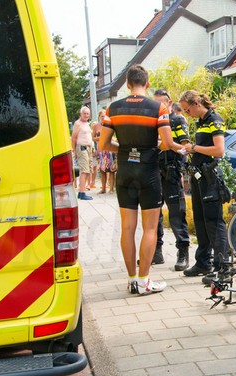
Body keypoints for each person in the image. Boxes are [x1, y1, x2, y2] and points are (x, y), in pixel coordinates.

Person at [99, 64, 186, 295]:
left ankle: (131, 280)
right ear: (146, 84)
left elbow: (103, 144)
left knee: (127, 228)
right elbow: (167, 144)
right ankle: (145, 280)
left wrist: (126, 149)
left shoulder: (113, 108)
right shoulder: (158, 108)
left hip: (125, 171)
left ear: (128, 85)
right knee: (149, 228)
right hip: (149, 171)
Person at [178, 90, 230, 283]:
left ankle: (223, 267)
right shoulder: (201, 122)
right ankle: (203, 262)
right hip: (199, 176)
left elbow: (219, 149)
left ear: (196, 103)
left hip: (211, 178)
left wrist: (195, 148)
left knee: (214, 222)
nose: (187, 114)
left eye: (187, 110)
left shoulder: (214, 120)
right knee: (200, 220)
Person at [151, 89, 191, 270]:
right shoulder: (151, 122)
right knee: (154, 214)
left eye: (162, 102)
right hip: (153, 172)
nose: (159, 106)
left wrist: (165, 144)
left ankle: (183, 252)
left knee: (176, 213)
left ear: (169, 103)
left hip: (171, 172)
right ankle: (156, 252)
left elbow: (184, 146)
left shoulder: (177, 120)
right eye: (156, 103)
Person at [72, 106, 94, 200]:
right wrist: (74, 151)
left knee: (89, 170)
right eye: (84, 113)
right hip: (82, 148)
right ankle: (82, 192)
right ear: (81, 114)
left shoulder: (87, 124)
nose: (86, 115)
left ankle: (82, 190)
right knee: (84, 170)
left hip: (89, 149)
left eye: (87, 113)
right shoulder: (78, 123)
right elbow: (74, 138)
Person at [92, 109, 115, 193]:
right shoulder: (96, 126)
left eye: (105, 116)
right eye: (102, 116)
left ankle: (111, 188)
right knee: (102, 170)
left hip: (109, 149)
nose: (103, 118)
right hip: (101, 150)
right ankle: (103, 188)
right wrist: (99, 138)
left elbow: (113, 136)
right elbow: (93, 137)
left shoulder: (110, 125)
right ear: (99, 117)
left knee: (111, 169)